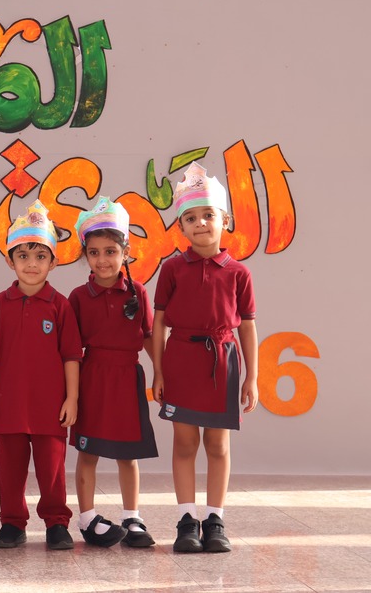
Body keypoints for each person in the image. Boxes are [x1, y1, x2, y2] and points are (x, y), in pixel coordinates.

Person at [152, 163, 258, 554]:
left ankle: (215, 520)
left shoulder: (239, 273)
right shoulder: (172, 269)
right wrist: (158, 372)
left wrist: (251, 377)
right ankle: (186, 519)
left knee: (218, 444)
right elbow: (159, 322)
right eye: (191, 218)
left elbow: (247, 326)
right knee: (184, 443)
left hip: (222, 363)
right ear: (181, 227)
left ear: (224, 220)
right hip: (181, 360)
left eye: (208, 215)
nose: (200, 223)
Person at [0, 200, 82, 550]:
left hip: (49, 406)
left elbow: (71, 356)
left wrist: (71, 398)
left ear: (53, 262)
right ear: (10, 261)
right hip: (9, 405)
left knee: (52, 470)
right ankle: (12, 523)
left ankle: (56, 523)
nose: (32, 264)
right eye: (23, 256)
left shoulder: (60, 305)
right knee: (10, 470)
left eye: (40, 256)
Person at [69, 197, 158, 548]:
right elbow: (70, 350)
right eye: (94, 252)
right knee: (87, 452)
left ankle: (132, 516)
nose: (102, 260)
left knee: (127, 454)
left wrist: (161, 373)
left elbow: (148, 337)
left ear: (126, 252)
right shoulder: (78, 296)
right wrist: (70, 393)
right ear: (85, 255)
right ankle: (87, 517)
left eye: (110, 251)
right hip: (92, 379)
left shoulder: (138, 292)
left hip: (127, 378)